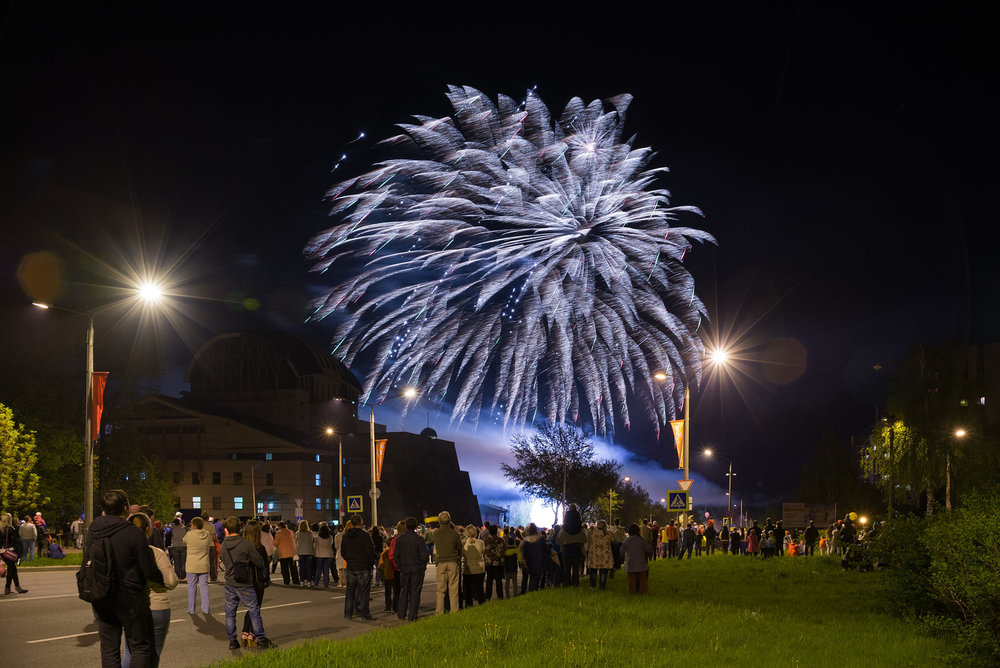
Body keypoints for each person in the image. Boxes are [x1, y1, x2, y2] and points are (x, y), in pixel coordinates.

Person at [86, 490, 163, 667]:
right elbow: (148, 567)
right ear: (125, 507)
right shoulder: (132, 532)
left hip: (101, 594)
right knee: (140, 646)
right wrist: (160, 581)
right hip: (129, 598)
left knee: (109, 648)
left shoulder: (94, 529)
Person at [123, 512, 178, 667]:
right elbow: (171, 582)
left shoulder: (124, 552)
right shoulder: (156, 553)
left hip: (131, 606)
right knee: (153, 653)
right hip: (157, 606)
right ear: (148, 529)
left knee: (129, 651)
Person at [219, 517, 275, 650]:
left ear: (226, 530)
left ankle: (232, 641)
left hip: (229, 583)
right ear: (240, 528)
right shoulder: (246, 544)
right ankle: (260, 639)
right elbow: (260, 563)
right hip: (245, 584)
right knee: (254, 611)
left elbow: (224, 561)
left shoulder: (223, 545)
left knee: (230, 614)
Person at [237, 520, 273, 649]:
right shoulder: (259, 547)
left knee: (250, 608)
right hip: (256, 582)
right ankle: (253, 635)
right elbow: (263, 564)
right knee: (255, 609)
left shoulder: (242, 546)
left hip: (244, 581)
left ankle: (245, 634)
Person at [340, 514, 377, 620]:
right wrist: (369, 563)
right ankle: (364, 614)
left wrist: (350, 560)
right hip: (363, 567)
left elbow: (343, 551)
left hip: (351, 567)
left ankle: (348, 614)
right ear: (361, 523)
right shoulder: (365, 535)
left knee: (350, 592)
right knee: (364, 593)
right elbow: (370, 551)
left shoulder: (346, 536)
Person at [426, 511, 462, 614]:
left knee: (441, 590)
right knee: (453, 590)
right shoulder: (454, 533)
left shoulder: (435, 533)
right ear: (450, 521)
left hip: (441, 562)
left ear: (439, 521)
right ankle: (454, 611)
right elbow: (460, 548)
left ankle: (439, 612)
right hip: (453, 562)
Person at [393, 517, 427, 621]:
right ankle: (412, 615)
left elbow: (396, 556)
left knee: (404, 591)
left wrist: (400, 565)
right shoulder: (420, 539)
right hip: (417, 569)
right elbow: (423, 556)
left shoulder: (399, 539)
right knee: (415, 592)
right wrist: (422, 567)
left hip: (405, 569)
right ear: (416, 527)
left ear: (406, 526)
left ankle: (401, 613)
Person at [184, 516, 214, 614]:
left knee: (191, 587)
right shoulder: (207, 534)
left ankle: (191, 609)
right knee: (204, 587)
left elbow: (183, 540)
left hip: (191, 565)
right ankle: (205, 609)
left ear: (194, 525)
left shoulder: (189, 534)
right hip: (204, 564)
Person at [556, 504, 586, 586]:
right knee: (576, 569)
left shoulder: (564, 530)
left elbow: (558, 541)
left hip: (567, 550)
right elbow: (584, 540)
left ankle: (566, 584)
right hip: (577, 549)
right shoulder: (580, 529)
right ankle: (575, 583)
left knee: (567, 569)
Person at [620, 523, 653, 594]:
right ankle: (644, 592)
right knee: (643, 580)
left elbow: (622, 552)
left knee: (631, 581)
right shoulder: (641, 540)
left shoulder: (626, 540)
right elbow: (649, 549)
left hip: (630, 564)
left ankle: (632, 593)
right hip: (641, 563)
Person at [1, 513, 27, 595]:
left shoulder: (0, 528)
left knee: (13, 569)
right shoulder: (11, 529)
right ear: (10, 520)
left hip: (2, 552)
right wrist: (19, 555)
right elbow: (16, 542)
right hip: (10, 552)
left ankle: (18, 587)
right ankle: (7, 588)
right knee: (11, 569)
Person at [461, 524, 486, 606]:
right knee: (480, 589)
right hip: (479, 568)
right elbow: (482, 552)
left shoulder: (463, 544)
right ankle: (482, 604)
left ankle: (469, 605)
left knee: (468, 590)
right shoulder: (480, 542)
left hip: (467, 569)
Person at [519, 523, 547, 592]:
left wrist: (523, 562)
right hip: (539, 561)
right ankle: (534, 591)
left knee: (525, 578)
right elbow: (546, 549)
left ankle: (524, 591)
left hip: (528, 562)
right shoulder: (541, 538)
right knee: (535, 579)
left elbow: (524, 553)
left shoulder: (525, 540)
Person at [586, 520, 614, 589]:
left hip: (594, 554)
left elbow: (589, 542)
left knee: (593, 571)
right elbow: (613, 541)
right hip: (605, 555)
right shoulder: (608, 533)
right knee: (603, 572)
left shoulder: (592, 533)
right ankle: (602, 587)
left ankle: (592, 586)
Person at [482, 523, 505, 600]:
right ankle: (500, 596)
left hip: (489, 563)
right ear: (496, 531)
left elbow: (483, 551)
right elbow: (504, 550)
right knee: (499, 581)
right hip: (499, 563)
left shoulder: (485, 541)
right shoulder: (501, 540)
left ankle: (488, 596)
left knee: (489, 580)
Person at [273, 521, 299, 585]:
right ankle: (296, 581)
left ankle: (286, 581)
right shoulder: (291, 531)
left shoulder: (278, 533)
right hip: (292, 552)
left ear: (279, 526)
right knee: (293, 568)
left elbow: (275, 543)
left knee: (285, 568)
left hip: (283, 553)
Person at [295, 520, 316, 587]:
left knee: (301, 568)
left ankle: (302, 581)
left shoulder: (298, 533)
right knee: (309, 568)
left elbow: (296, 542)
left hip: (301, 552)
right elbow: (314, 541)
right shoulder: (310, 533)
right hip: (309, 552)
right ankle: (309, 581)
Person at [314, 523, 334, 587]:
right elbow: (331, 544)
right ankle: (326, 583)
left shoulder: (318, 537)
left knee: (318, 569)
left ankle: (316, 583)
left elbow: (315, 545)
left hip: (320, 555)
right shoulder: (330, 537)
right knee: (326, 570)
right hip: (328, 555)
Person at [503, 528, 520, 598]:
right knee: (514, 582)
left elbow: (504, 559)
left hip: (507, 568)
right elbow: (519, 559)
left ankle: (507, 595)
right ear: (513, 542)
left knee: (507, 582)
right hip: (514, 568)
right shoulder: (516, 550)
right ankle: (515, 594)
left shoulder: (505, 551)